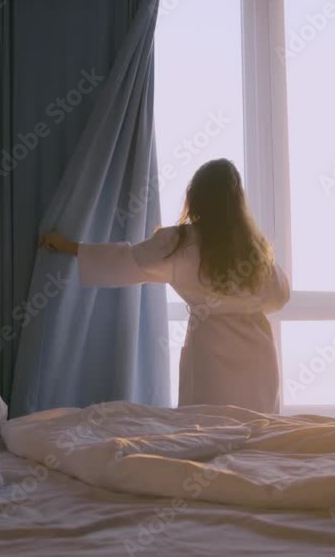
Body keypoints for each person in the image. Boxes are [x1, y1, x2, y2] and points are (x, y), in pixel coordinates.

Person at [38, 158, 290, 413]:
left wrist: (68, 247)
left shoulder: (180, 241)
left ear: (196, 197)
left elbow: (126, 260)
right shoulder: (253, 248)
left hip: (211, 353)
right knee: (257, 433)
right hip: (257, 354)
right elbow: (280, 296)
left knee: (209, 428)